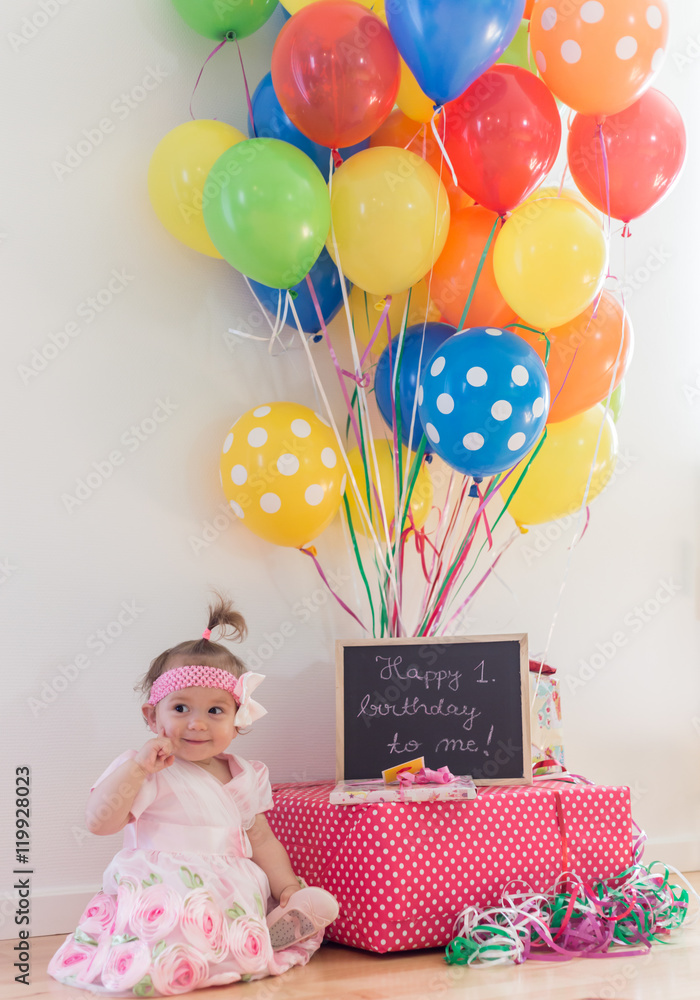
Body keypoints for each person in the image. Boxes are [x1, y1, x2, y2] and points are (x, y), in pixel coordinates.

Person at [48, 593, 339, 996]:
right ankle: (184, 954)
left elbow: (263, 840)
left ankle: (267, 928)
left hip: (230, 884)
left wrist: (286, 886)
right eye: (181, 708)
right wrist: (136, 771)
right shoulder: (147, 767)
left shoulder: (244, 774)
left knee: (231, 917)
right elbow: (100, 822)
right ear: (153, 716)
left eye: (214, 711)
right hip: (162, 884)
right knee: (176, 915)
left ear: (238, 720)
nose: (197, 724)